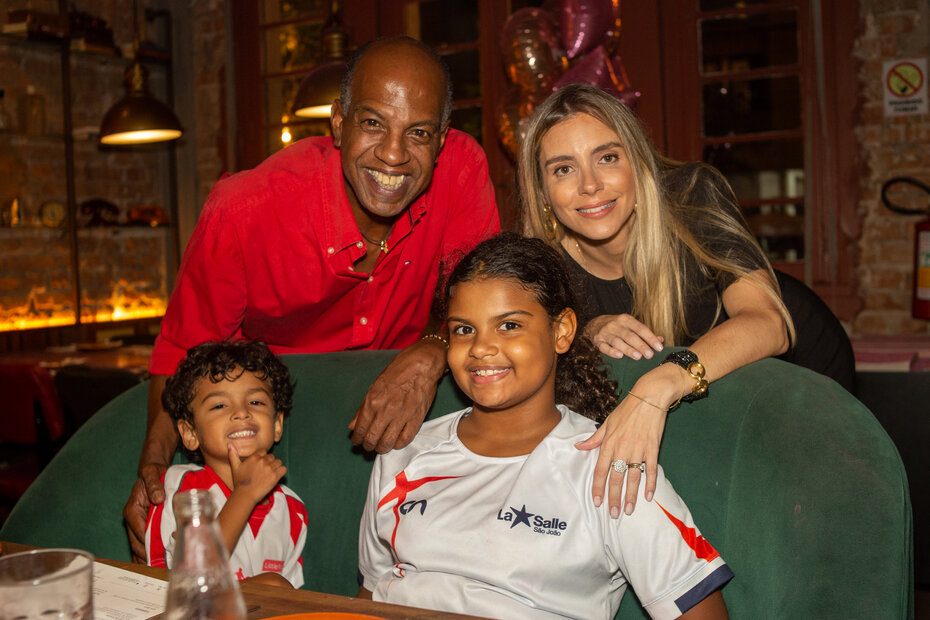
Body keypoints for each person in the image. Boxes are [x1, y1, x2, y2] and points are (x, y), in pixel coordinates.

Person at [124, 36, 500, 561]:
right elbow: (182, 354)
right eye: (372, 124)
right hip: (277, 428)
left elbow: (480, 291)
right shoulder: (242, 212)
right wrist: (153, 464)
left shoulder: (461, 168)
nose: (393, 154)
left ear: (440, 140)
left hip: (412, 416)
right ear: (339, 122)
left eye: (417, 133)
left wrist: (432, 348)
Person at [357, 233, 731, 619]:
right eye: (464, 330)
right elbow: (368, 598)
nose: (481, 347)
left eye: (509, 326)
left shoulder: (610, 465)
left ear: (562, 331)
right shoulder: (404, 449)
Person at [519, 82, 799, 519]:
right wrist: (586, 329)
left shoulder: (691, 196)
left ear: (638, 162)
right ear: (542, 194)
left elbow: (769, 324)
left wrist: (657, 386)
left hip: (794, 373)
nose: (590, 185)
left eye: (607, 158)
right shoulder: (544, 262)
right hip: (702, 414)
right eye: (563, 169)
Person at [145, 341, 307, 588]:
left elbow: (291, 603)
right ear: (190, 433)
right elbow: (190, 584)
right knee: (273, 585)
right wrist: (245, 494)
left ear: (277, 425)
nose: (241, 412)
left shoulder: (293, 511)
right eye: (219, 405)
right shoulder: (183, 490)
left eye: (256, 402)